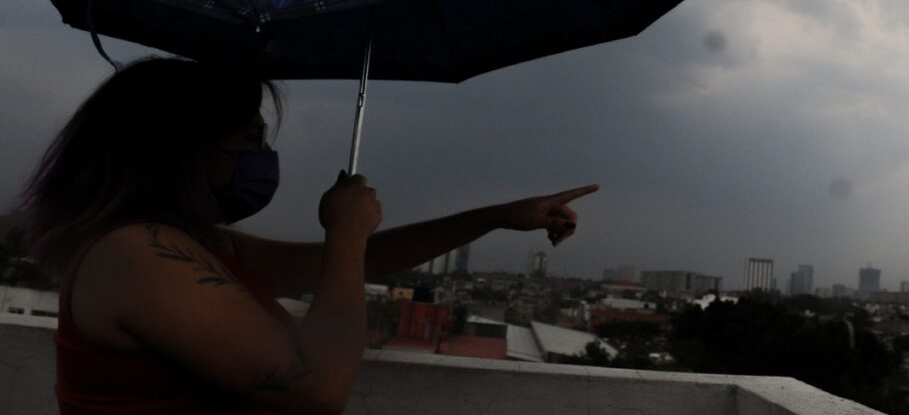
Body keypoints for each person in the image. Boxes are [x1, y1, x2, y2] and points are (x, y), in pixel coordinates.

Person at [17, 56, 599, 414]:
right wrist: (346, 236)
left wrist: (495, 216)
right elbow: (317, 390)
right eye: (248, 141)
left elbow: (340, 265)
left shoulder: (194, 244)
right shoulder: (138, 256)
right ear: (184, 150)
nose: (262, 157)